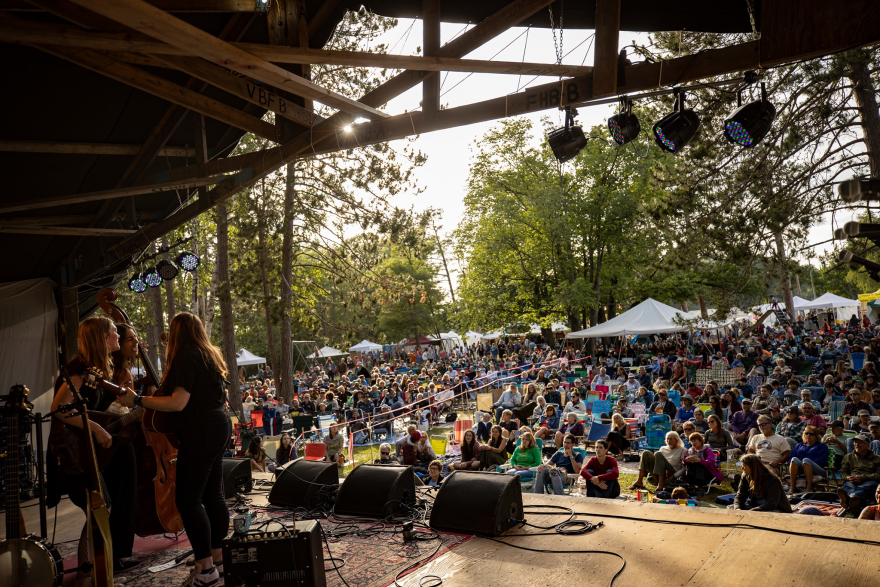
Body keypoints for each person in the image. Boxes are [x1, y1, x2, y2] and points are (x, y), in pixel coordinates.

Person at [118, 312, 232, 585]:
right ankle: (218, 559)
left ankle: (205, 570)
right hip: (219, 424)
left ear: (177, 332)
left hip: (201, 429)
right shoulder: (210, 355)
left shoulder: (185, 356)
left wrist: (139, 400)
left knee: (189, 501)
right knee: (213, 496)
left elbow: (178, 402)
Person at [49, 317, 141, 582]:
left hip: (89, 451)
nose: (118, 336)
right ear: (102, 337)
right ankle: (86, 572)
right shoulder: (78, 369)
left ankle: (91, 570)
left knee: (102, 508)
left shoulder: (99, 369)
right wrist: (95, 428)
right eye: (114, 332)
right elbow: (58, 409)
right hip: (74, 452)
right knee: (99, 509)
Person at [837, 433, 880, 516]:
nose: (856, 444)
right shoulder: (848, 457)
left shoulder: (877, 459)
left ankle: (848, 500)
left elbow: (878, 475)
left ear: (867, 445)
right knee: (848, 485)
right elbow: (843, 473)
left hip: (868, 481)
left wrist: (862, 478)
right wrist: (848, 477)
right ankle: (853, 501)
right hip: (852, 481)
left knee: (868, 486)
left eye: (859, 442)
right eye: (855, 442)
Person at [788, 426, 830, 493]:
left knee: (806, 460)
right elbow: (791, 458)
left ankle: (809, 487)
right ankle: (792, 487)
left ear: (816, 436)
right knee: (793, 459)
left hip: (818, 469)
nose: (808, 435)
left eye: (811, 434)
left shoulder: (821, 446)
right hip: (800, 469)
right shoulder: (799, 445)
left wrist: (805, 465)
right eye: (806, 433)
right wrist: (801, 465)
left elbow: (821, 460)